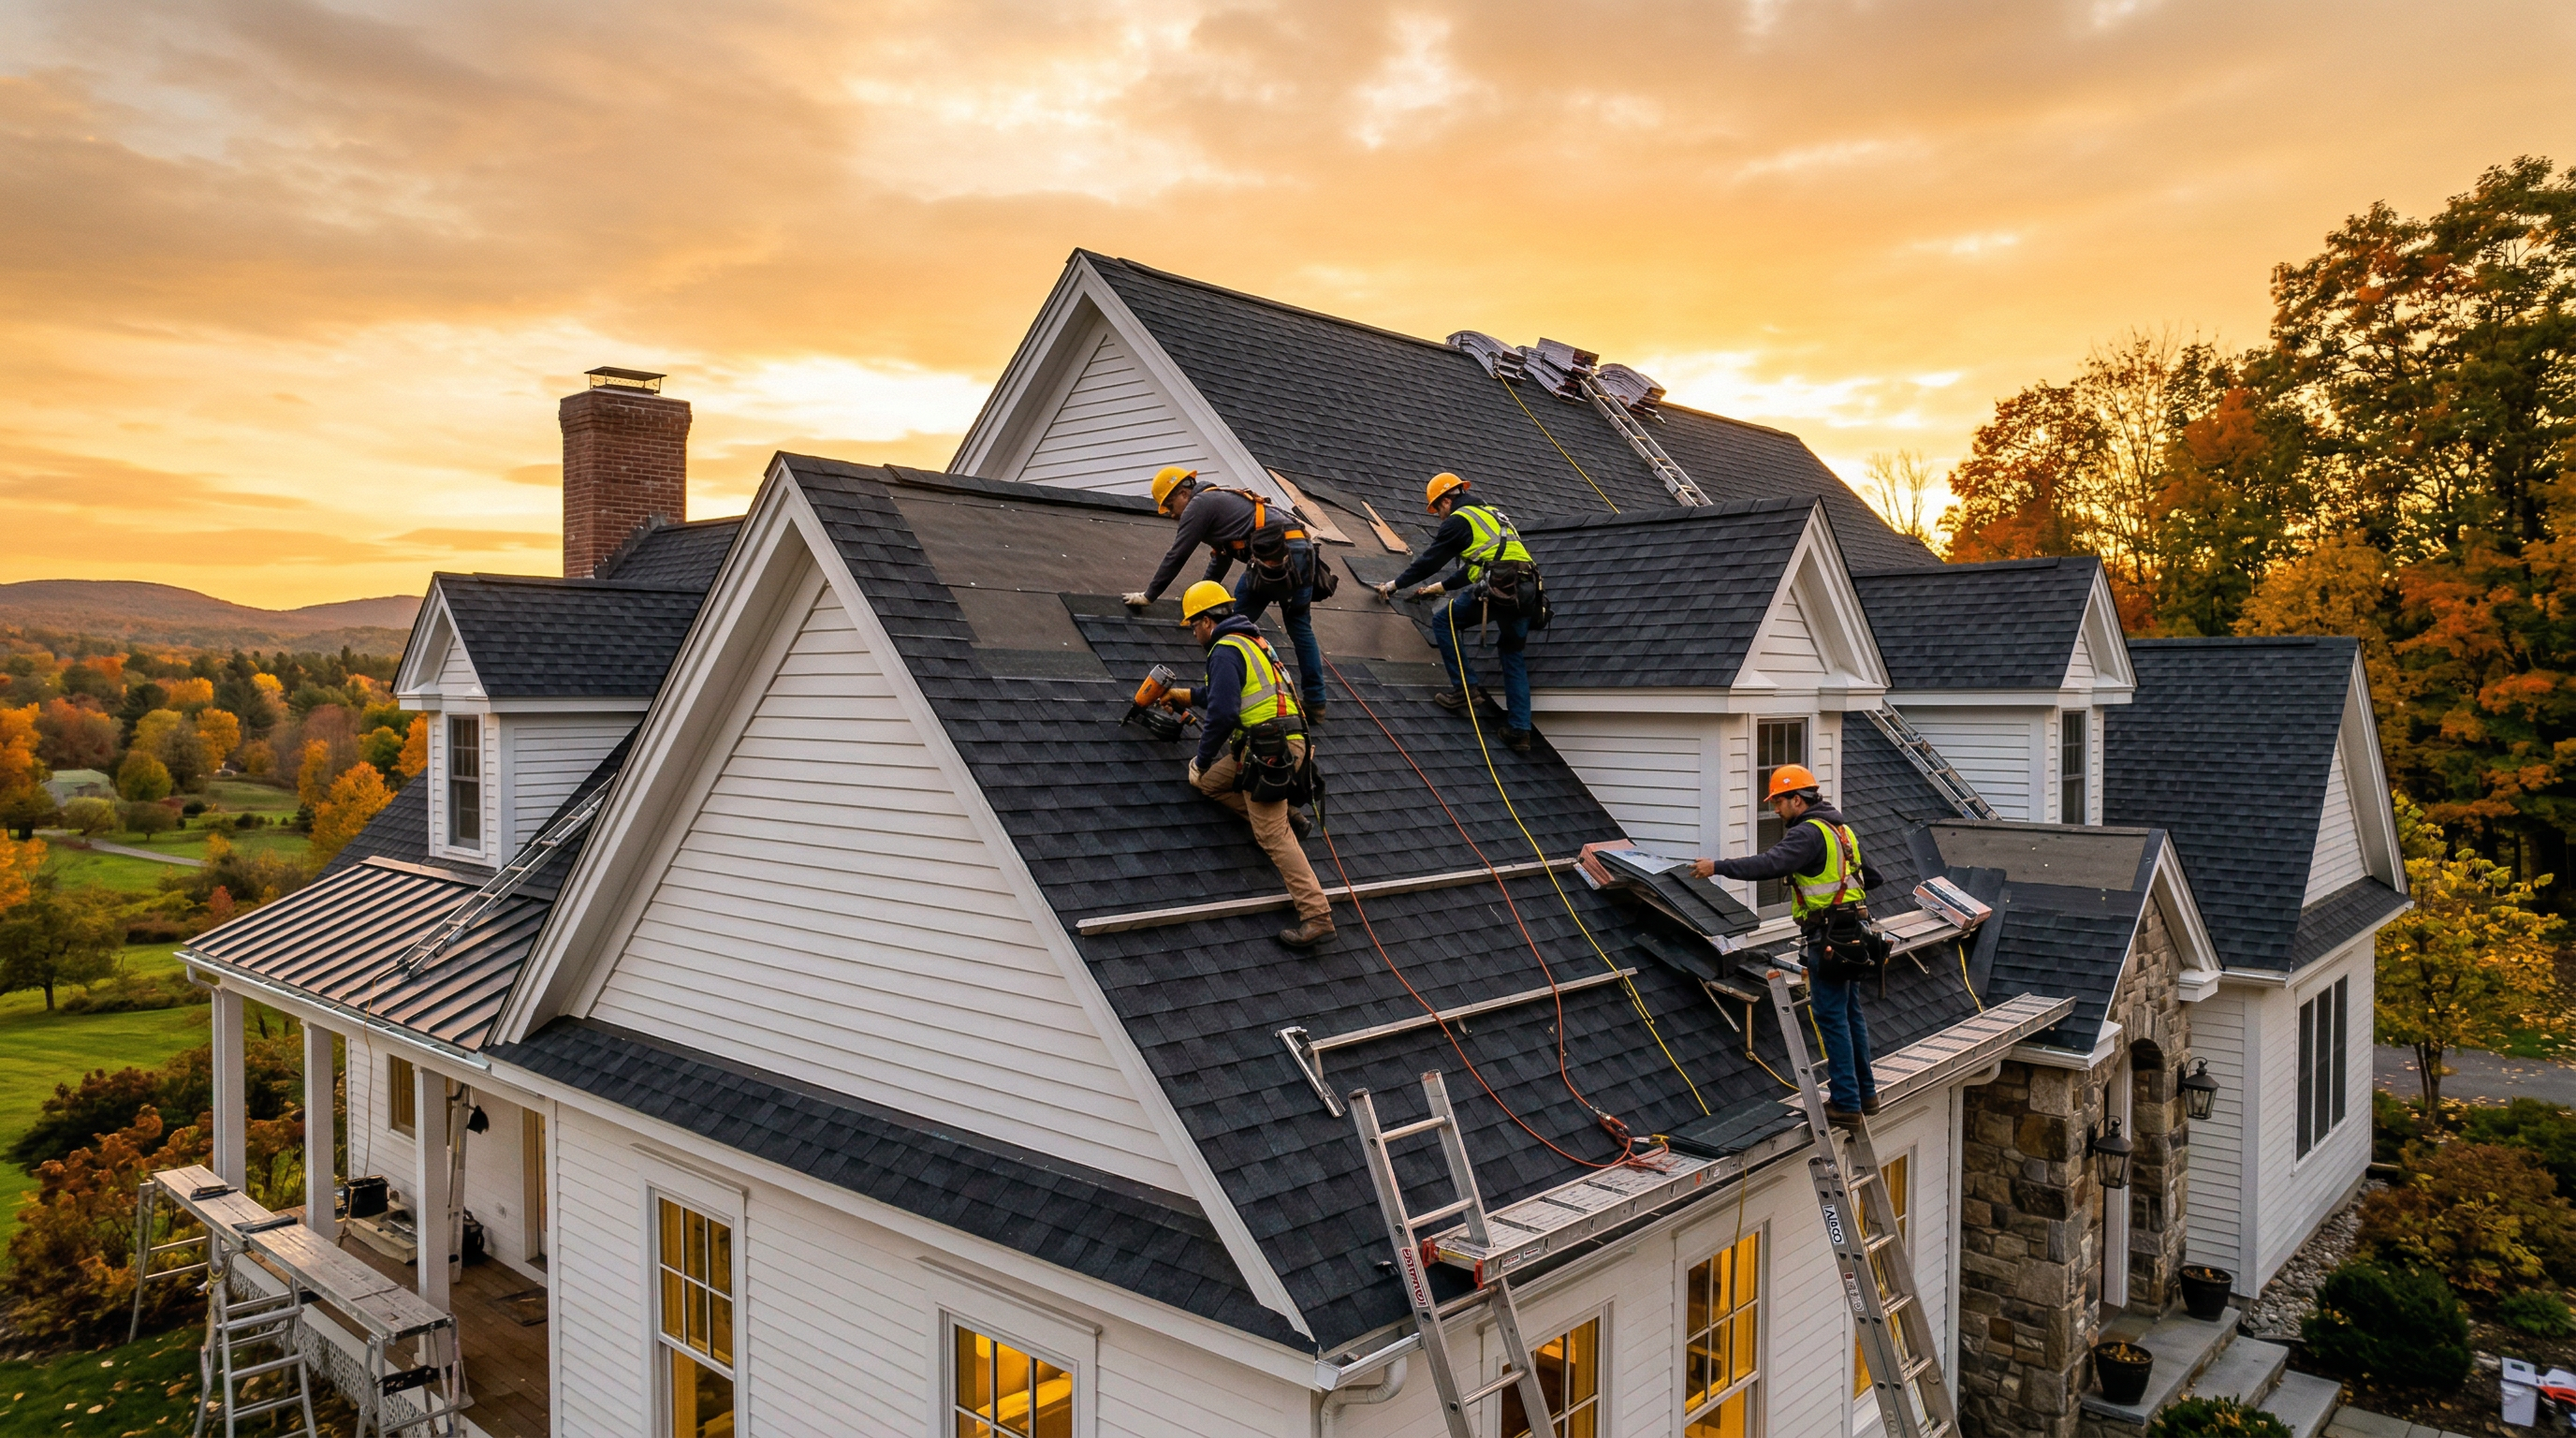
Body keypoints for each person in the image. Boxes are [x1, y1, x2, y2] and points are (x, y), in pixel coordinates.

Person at [1690, 763, 1879, 1124]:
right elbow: (1873, 876)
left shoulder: (1807, 834)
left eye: (1778, 801)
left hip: (1828, 938)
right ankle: (1864, 1095)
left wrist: (1717, 866)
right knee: (1851, 1015)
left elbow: (1769, 863)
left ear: (1797, 799)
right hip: (1854, 934)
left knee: (1831, 1017)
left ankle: (1847, 1104)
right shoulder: (1841, 830)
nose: (1774, 809)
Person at [1169, 580, 1335, 949]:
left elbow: (1225, 713)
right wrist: (1185, 696)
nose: (1193, 632)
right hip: (1284, 746)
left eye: (1194, 624)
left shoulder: (1224, 650)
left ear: (1208, 621)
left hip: (1271, 753)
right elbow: (1222, 696)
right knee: (1210, 783)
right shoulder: (1250, 642)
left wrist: (1201, 757)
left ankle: (1316, 916)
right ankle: (1289, 812)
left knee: (1270, 836)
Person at [1124, 466, 1328, 723]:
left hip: (1273, 556)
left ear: (1184, 492)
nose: (1172, 515)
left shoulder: (1201, 504)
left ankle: (1223, 694)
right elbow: (1221, 560)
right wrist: (1198, 602)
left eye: (1170, 505)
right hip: (1302, 553)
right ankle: (1316, 703)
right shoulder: (1219, 503)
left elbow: (1178, 554)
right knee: (1300, 627)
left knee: (1227, 630)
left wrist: (1149, 595)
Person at [1373, 472, 1540, 753]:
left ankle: (1465, 689)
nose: (1438, 517)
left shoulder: (1459, 520)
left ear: (1447, 500)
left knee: (1444, 620)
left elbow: (1429, 562)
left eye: (1437, 509)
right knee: (1512, 654)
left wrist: (1393, 585)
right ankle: (1520, 731)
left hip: (1501, 586)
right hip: (1528, 590)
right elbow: (1485, 560)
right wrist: (1441, 587)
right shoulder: (1493, 514)